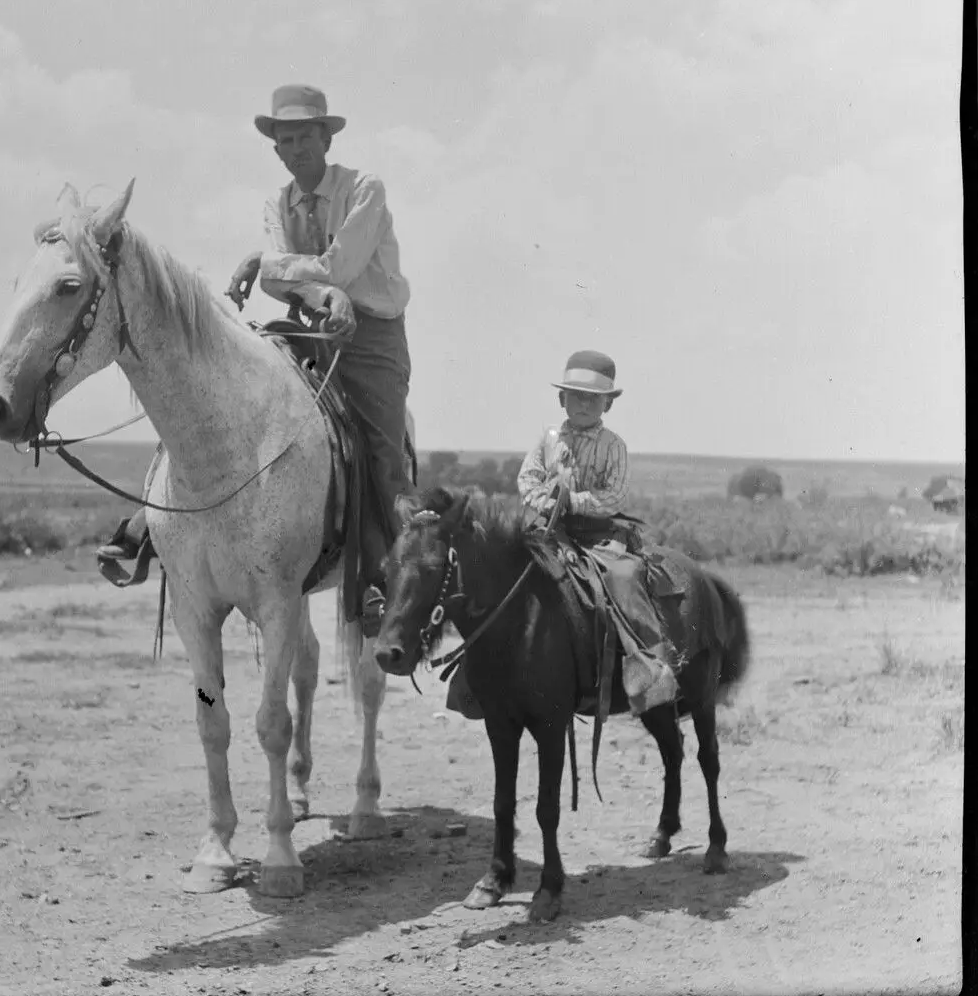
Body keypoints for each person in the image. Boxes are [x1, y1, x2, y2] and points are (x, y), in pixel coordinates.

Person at [98, 85, 413, 633]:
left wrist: (272, 264)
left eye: (304, 136)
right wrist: (285, 276)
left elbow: (339, 267)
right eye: (284, 139)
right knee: (224, 396)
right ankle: (153, 522)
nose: (294, 148)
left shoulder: (365, 190)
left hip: (372, 338)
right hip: (309, 325)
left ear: (326, 136)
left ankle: (389, 578)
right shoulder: (277, 204)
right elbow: (284, 283)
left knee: (382, 451)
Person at [446, 350, 682, 720]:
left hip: (599, 535)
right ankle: (476, 675)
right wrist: (542, 500)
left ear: (608, 403)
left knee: (624, 577)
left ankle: (648, 669)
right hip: (547, 530)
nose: (584, 403)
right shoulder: (548, 439)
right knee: (501, 572)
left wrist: (574, 501)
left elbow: (615, 494)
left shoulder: (613, 446)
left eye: (593, 397)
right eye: (576, 395)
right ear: (561, 399)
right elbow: (528, 477)